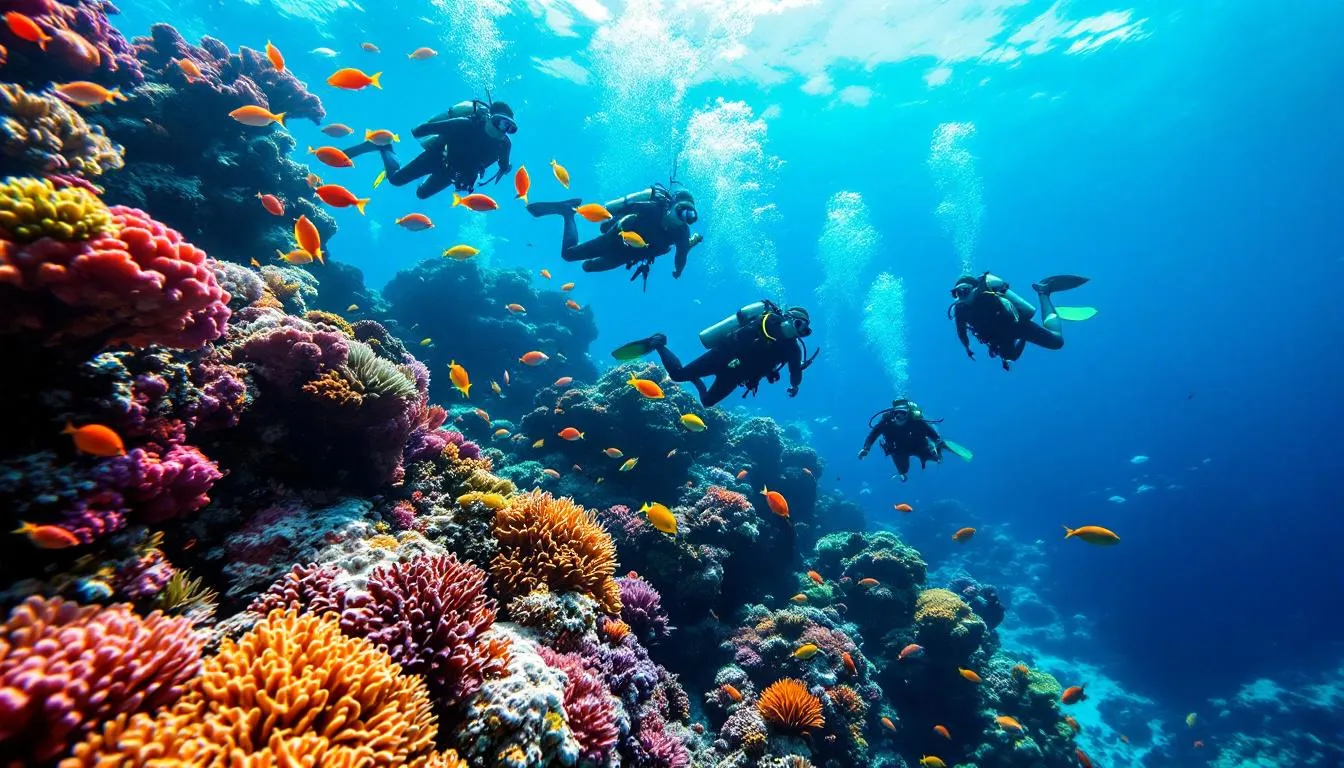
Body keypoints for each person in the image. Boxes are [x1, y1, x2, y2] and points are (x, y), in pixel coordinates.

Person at [612, 300, 819, 407]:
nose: (799, 330)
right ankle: (658, 342)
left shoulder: (793, 349)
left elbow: (795, 371)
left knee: (708, 402)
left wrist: (795, 386)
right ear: (788, 317)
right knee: (677, 375)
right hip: (723, 355)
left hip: (737, 375)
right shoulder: (768, 319)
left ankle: (695, 379)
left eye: (804, 330)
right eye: (798, 323)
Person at [527, 183, 702, 287]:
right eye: (680, 211)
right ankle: (568, 211)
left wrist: (678, 270)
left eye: (688, 217)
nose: (681, 219)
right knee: (569, 255)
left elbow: (681, 255)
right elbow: (613, 207)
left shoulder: (681, 232)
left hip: (627, 256)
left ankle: (572, 212)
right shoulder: (652, 208)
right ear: (671, 205)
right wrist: (610, 219)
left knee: (587, 267)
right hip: (614, 239)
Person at [343, 98, 515, 199]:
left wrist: (505, 169)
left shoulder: (504, 144)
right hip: (437, 157)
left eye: (509, 127)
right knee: (395, 180)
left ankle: (389, 151)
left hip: (453, 175)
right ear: (489, 118)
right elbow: (422, 130)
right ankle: (384, 146)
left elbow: (503, 165)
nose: (503, 130)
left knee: (422, 194)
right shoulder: (465, 124)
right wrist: (430, 129)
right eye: (500, 122)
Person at [949, 272, 1091, 371]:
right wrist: (967, 347)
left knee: (1057, 342)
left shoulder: (985, 293)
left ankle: (1044, 291)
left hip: (1016, 325)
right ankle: (1024, 338)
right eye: (956, 293)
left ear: (974, 288)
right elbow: (961, 331)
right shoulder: (960, 310)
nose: (960, 296)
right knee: (1010, 356)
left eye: (965, 291)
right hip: (998, 338)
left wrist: (983, 286)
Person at [858, 400, 948, 482]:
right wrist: (866, 448)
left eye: (903, 413)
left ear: (908, 414)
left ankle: (933, 447)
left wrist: (937, 440)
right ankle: (902, 473)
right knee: (903, 470)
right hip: (898, 450)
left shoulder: (916, 421)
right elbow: (873, 434)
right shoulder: (886, 423)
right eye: (896, 413)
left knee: (936, 458)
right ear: (893, 414)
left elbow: (930, 432)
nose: (899, 416)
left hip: (919, 445)